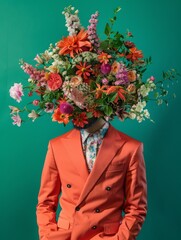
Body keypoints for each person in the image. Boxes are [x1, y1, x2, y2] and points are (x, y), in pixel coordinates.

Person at [36, 117, 147, 240]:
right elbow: (46, 203)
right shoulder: (57, 145)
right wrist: (47, 236)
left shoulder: (131, 147)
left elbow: (136, 207)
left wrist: (120, 238)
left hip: (107, 236)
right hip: (66, 235)